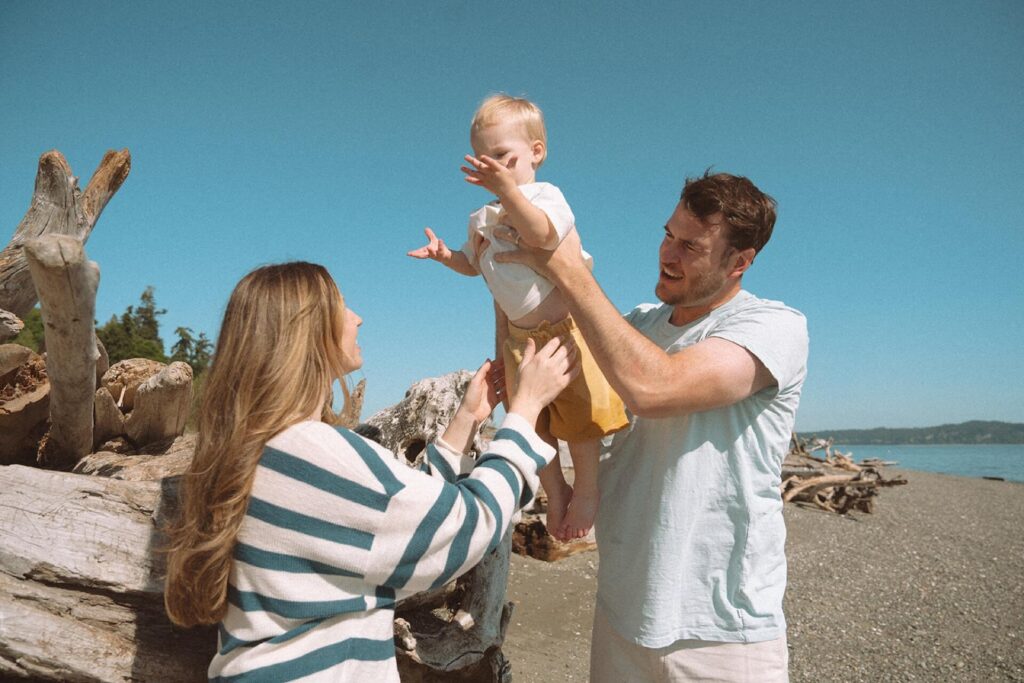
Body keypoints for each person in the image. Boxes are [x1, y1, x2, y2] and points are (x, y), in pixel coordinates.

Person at [163, 261, 577, 681]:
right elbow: (465, 528)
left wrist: (465, 421)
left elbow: (389, 523)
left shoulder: (268, 448)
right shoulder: (310, 452)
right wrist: (525, 413)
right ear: (306, 331)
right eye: (341, 306)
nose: (357, 317)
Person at [493, 171, 809, 682]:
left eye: (690, 246)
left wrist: (565, 266)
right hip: (622, 611)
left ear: (739, 263)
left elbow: (655, 388)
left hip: (720, 631)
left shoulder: (774, 326)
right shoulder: (636, 325)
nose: (668, 253)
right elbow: (535, 384)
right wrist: (505, 284)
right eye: (668, 234)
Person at [408, 94, 628, 541]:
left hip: (564, 330)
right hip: (520, 339)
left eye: (504, 158)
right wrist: (445, 255)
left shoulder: (545, 197)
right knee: (532, 421)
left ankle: (587, 490)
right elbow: (474, 264)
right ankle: (555, 490)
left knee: (581, 418)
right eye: (486, 160)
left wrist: (509, 191)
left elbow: (543, 234)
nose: (495, 170)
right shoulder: (482, 218)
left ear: (536, 153)